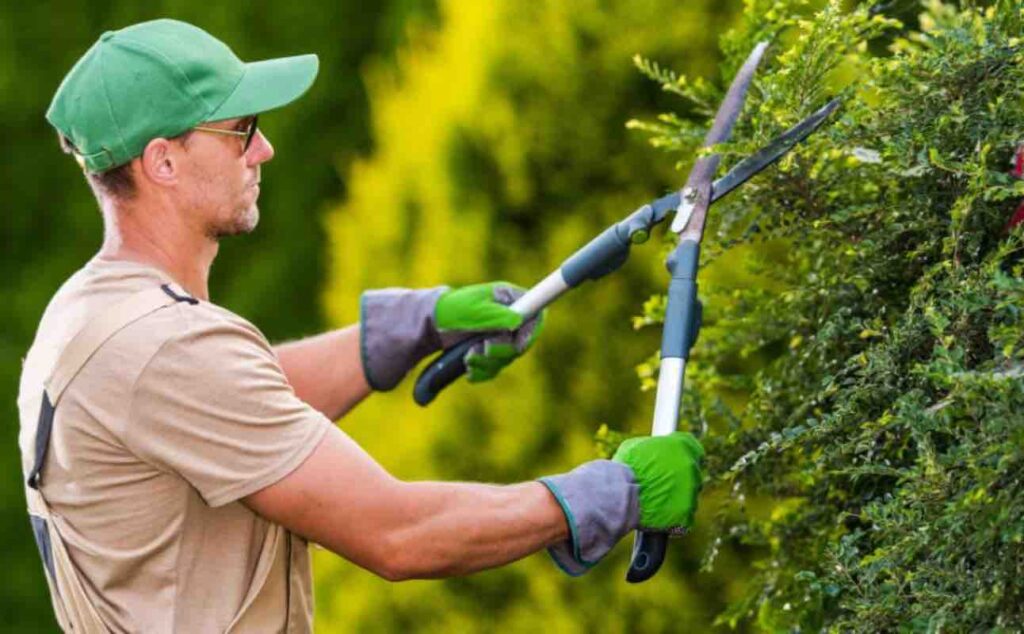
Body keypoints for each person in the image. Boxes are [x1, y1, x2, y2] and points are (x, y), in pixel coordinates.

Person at [18, 19, 705, 633]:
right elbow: (400, 533)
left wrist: (416, 326)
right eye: (240, 131)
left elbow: (240, 406)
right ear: (163, 161)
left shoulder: (93, 315)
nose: (264, 151)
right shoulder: (163, 346)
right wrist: (613, 493)